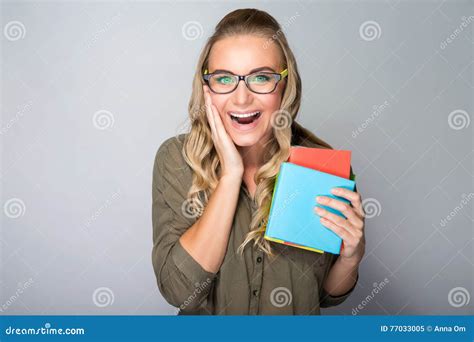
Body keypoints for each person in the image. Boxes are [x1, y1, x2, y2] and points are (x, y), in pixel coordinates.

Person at [152, 8, 366, 315]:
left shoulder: (320, 164)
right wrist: (231, 175)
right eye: (224, 78)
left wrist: (350, 257)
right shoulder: (178, 160)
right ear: (207, 88)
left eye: (261, 77)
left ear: (284, 85)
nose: (242, 99)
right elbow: (179, 290)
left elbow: (325, 295)